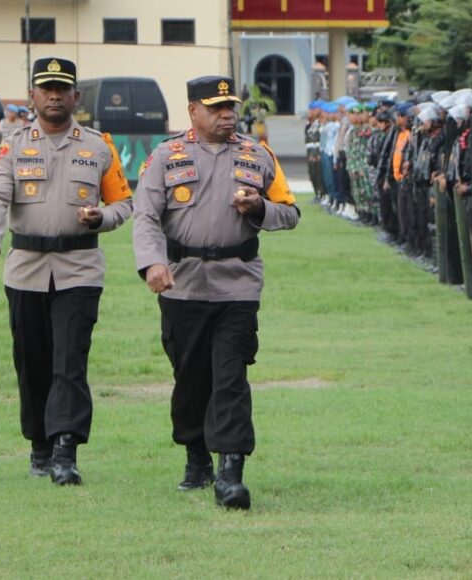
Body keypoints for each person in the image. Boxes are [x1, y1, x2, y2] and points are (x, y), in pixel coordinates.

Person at [132, 75, 299, 511]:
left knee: (230, 376)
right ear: (193, 111)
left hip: (237, 283)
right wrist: (152, 262)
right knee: (191, 379)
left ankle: (231, 472)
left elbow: (290, 212)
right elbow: (145, 216)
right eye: (216, 108)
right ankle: (196, 457)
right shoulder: (166, 156)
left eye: (231, 107)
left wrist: (260, 208)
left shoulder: (257, 154)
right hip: (182, 283)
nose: (227, 115)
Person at [0, 57, 133, 486]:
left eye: (62, 89)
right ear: (33, 96)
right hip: (25, 269)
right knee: (32, 362)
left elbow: (123, 203)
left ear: (76, 97)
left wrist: (102, 218)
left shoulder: (98, 147)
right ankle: (40, 446)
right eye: (46, 89)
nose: (54, 96)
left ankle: (66, 449)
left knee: (69, 360)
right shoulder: (12, 145)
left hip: (79, 269)